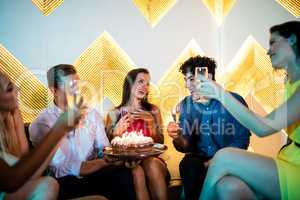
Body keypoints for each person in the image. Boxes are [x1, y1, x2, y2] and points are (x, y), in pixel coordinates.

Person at [198, 21, 300, 200]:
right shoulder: (290, 81)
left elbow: (262, 128)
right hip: (289, 158)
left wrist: (220, 94)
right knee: (228, 187)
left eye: (273, 42)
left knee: (224, 157)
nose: (268, 51)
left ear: (292, 39)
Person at [29, 64, 136, 200]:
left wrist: (116, 157)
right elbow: (60, 168)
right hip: (65, 181)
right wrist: (104, 162)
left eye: (77, 84)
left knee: (125, 174)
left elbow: (104, 149)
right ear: (54, 90)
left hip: (96, 172)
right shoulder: (42, 123)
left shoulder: (92, 114)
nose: (77, 90)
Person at [166, 55, 251, 200]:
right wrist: (178, 136)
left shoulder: (233, 101)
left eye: (192, 79)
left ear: (208, 76)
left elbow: (242, 141)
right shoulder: (185, 105)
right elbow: (185, 147)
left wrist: (213, 163)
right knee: (188, 164)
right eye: (186, 80)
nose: (187, 85)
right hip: (197, 160)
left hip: (228, 158)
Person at [0, 71, 85, 199]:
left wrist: (62, 131)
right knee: (49, 185)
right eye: (9, 88)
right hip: (64, 178)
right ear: (54, 91)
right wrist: (59, 129)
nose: (18, 89)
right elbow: (13, 180)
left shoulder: (12, 116)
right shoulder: (43, 120)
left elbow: (29, 175)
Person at [106, 68, 170, 200]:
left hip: (153, 160)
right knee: (137, 171)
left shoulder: (153, 110)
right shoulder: (114, 113)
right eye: (140, 81)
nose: (145, 87)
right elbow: (108, 148)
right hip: (127, 163)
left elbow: (160, 142)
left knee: (151, 164)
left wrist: (151, 122)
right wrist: (115, 132)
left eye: (147, 83)